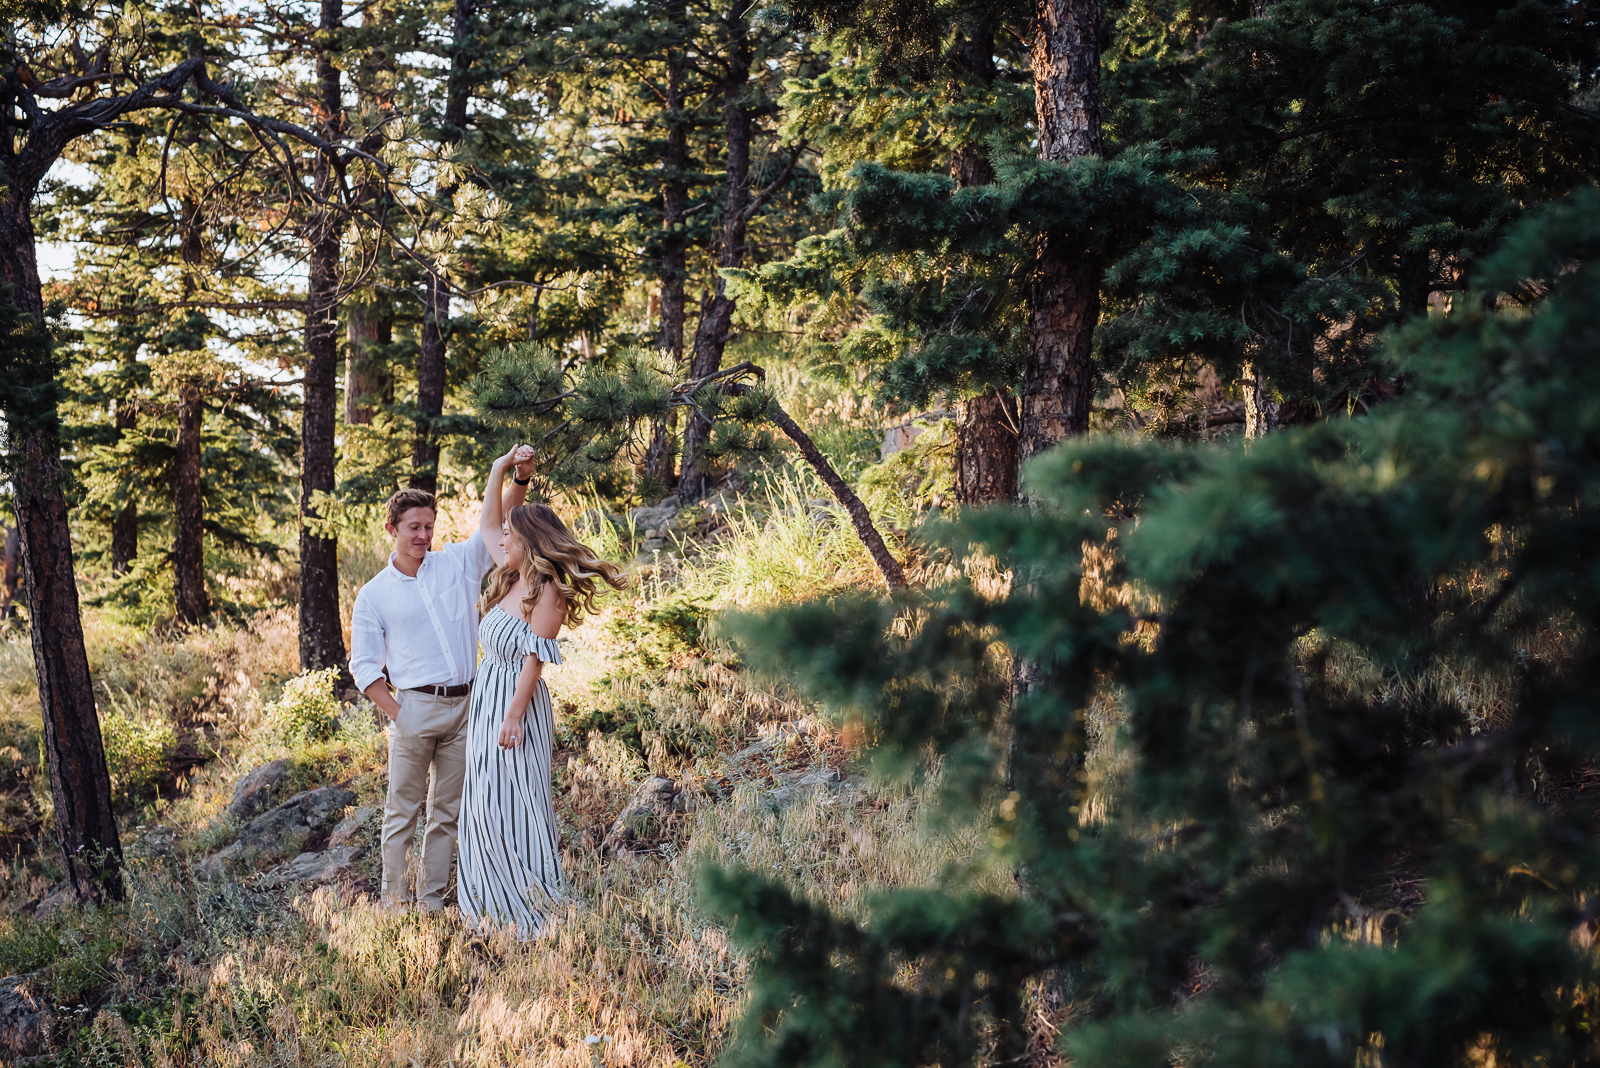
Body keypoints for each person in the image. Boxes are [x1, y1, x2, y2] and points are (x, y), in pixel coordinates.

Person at [349, 446, 535, 911]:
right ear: (392, 529)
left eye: (429, 526)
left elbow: (497, 524)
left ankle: (431, 903)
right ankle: (395, 906)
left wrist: (519, 479)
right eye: (413, 527)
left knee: (447, 813)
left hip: (467, 708)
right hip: (414, 709)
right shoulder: (373, 595)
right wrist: (400, 714)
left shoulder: (457, 563)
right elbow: (364, 667)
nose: (423, 535)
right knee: (401, 814)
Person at [457, 502, 629, 938]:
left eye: (509, 536)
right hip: (487, 702)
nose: (501, 541)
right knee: (482, 802)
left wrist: (514, 716)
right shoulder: (511, 578)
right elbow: (486, 524)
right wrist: (502, 471)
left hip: (516, 705)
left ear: (528, 542)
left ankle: (527, 905)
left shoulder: (548, 592)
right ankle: (488, 904)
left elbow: (534, 661)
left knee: (514, 802)